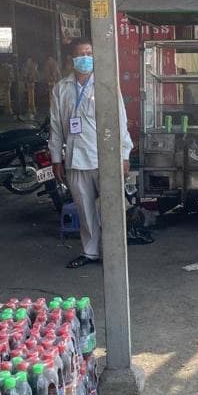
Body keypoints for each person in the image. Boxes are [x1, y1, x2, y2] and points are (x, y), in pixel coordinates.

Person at [48, 37, 133, 269]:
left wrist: (124, 155)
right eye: (81, 54)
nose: (85, 58)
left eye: (89, 54)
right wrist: (56, 159)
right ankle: (90, 252)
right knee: (84, 210)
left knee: (110, 208)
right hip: (75, 158)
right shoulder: (61, 88)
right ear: (72, 59)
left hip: (103, 157)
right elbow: (55, 126)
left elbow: (120, 122)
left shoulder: (106, 84)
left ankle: (113, 254)